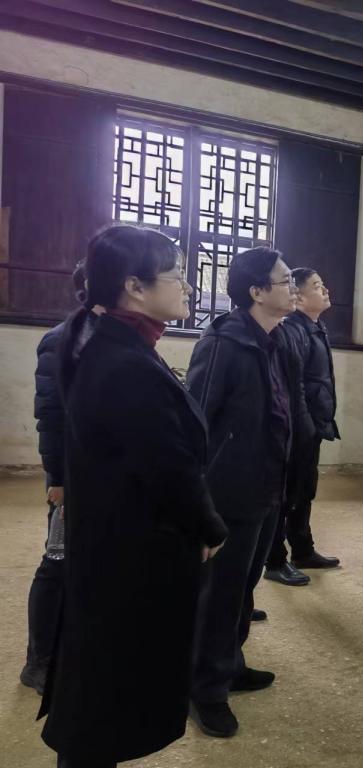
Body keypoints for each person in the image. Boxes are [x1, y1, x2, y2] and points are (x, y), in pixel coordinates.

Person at [40, 225, 228, 768]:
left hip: (115, 536)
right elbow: (167, 466)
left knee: (103, 677)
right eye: (177, 275)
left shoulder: (108, 343)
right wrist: (208, 526)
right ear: (134, 287)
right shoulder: (122, 362)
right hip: (131, 546)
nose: (188, 286)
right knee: (109, 685)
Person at [187, 246, 312, 738]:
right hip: (229, 492)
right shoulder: (223, 344)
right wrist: (200, 504)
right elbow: (195, 425)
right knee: (218, 594)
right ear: (257, 291)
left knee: (243, 587)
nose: (293, 289)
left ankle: (230, 665)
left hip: (267, 486)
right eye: (284, 282)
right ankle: (204, 690)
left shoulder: (279, 340)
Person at [20, 264, 92, 695]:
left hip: (101, 472)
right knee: (58, 561)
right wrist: (60, 478)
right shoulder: (63, 339)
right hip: (71, 474)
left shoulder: (112, 337)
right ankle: (39, 660)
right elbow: (51, 415)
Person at [265, 268, 341, 584]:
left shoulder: (314, 327)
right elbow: (291, 386)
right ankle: (274, 561)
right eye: (317, 286)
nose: (325, 290)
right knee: (286, 493)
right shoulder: (293, 331)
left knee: (304, 490)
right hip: (298, 426)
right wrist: (304, 425)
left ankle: (302, 550)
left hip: (312, 424)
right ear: (298, 295)